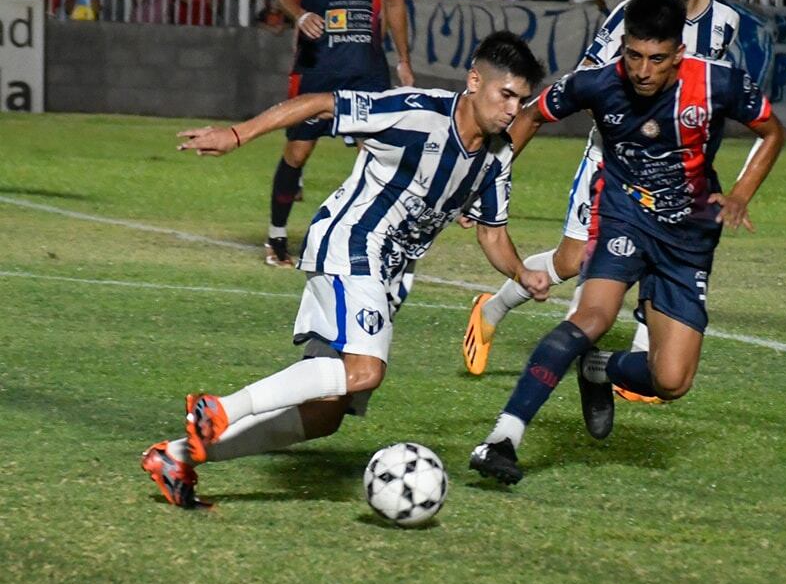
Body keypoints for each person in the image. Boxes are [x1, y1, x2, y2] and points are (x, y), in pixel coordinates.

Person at [141, 31, 550, 507]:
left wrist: (521, 273)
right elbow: (320, 103)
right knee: (364, 371)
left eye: (521, 102)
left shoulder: (497, 156)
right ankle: (219, 409)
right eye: (506, 96)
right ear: (475, 81)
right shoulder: (417, 113)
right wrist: (237, 134)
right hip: (354, 243)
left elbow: (492, 233)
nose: (511, 111)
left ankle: (178, 457)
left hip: (391, 274)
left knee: (325, 415)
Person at [468, 0, 785, 485]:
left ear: (678, 54)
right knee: (592, 315)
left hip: (689, 236)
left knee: (671, 380)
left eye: (656, 59)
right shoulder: (597, 84)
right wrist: (487, 179)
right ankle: (503, 438)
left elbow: (772, 132)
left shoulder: (717, 83)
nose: (642, 70)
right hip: (623, 217)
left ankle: (597, 369)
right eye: (633, 55)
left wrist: (742, 192)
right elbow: (530, 116)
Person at [463, 0, 741, 404]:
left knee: (642, 258)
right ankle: (491, 310)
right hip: (611, 162)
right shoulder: (628, 18)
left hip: (673, 179)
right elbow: (585, 85)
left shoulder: (726, 23)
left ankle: (639, 354)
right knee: (574, 261)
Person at [265, 0, 415, 267]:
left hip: (367, 68)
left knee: (377, 152)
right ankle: (276, 234)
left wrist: (404, 60)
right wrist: (300, 14)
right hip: (319, 65)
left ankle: (371, 237)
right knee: (298, 152)